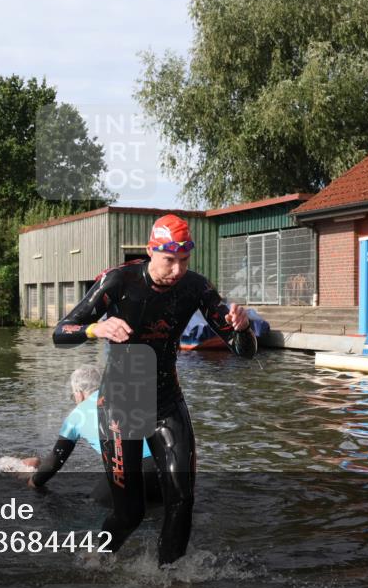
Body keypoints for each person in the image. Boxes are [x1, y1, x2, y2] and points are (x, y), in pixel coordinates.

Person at [53, 214, 256, 566]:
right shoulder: (118, 281)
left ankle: (170, 581)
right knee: (129, 514)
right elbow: (61, 332)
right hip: (120, 405)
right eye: (169, 260)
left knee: (182, 500)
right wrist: (94, 331)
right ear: (151, 252)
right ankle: (93, 564)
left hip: (166, 402)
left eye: (184, 260)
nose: (177, 270)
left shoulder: (196, 287)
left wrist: (242, 328)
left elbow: (244, 351)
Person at [23, 365, 160, 506]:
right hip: (164, 464)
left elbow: (55, 460)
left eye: (73, 395)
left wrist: (33, 482)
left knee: (93, 505)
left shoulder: (77, 415)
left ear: (79, 393)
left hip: (128, 470)